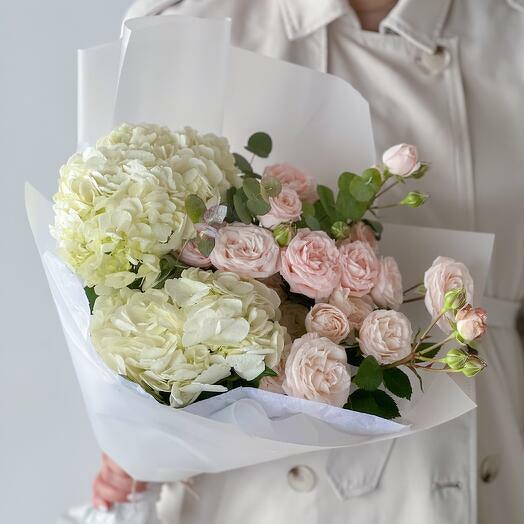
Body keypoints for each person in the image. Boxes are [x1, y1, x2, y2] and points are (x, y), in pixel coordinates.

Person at [92, 1, 524, 523]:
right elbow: (127, 260)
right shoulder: (193, 21)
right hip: (267, 484)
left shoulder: (509, 32)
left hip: (487, 437)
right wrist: (137, 423)